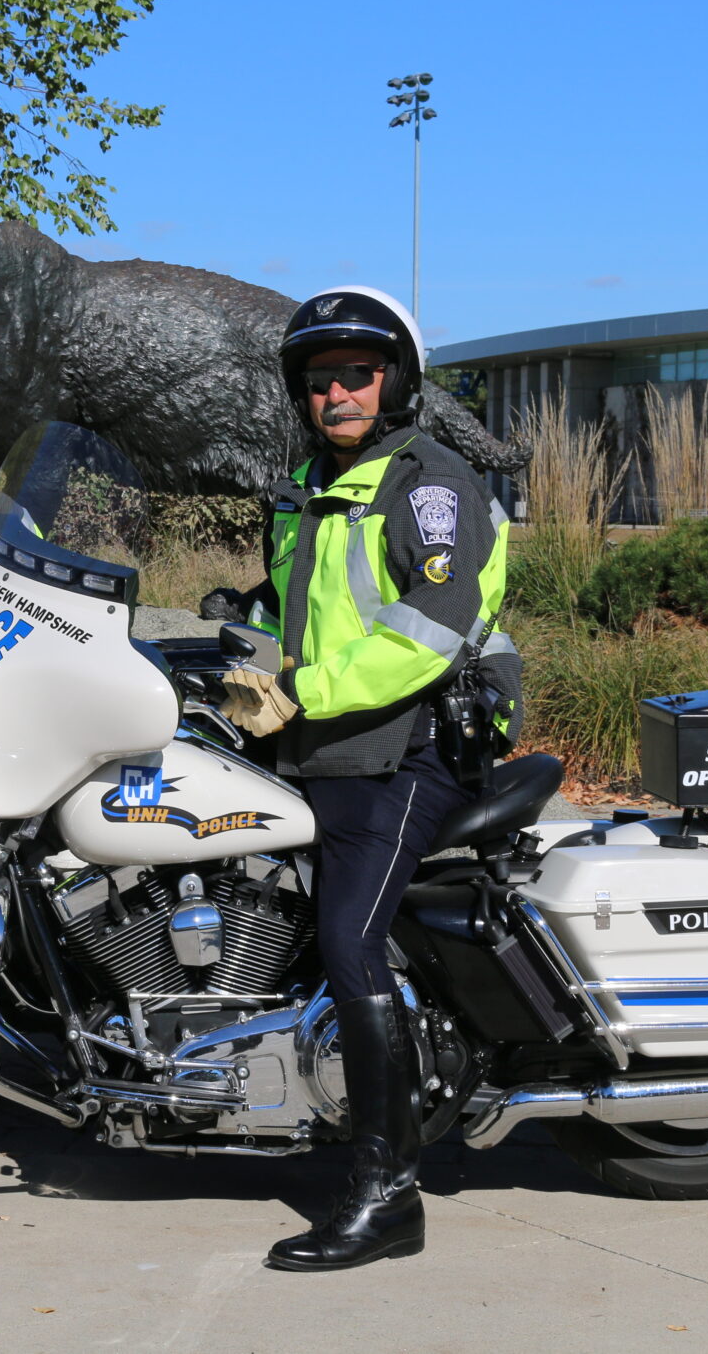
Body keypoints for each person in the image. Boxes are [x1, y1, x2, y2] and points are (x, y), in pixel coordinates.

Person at [210, 286, 521, 1273]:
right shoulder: (305, 489)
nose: (336, 391)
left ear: (394, 381)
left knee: (349, 942)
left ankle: (387, 1194)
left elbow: (428, 628)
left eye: (356, 373)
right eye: (318, 379)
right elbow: (296, 615)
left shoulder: (429, 485)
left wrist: (299, 688)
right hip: (332, 745)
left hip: (408, 747)